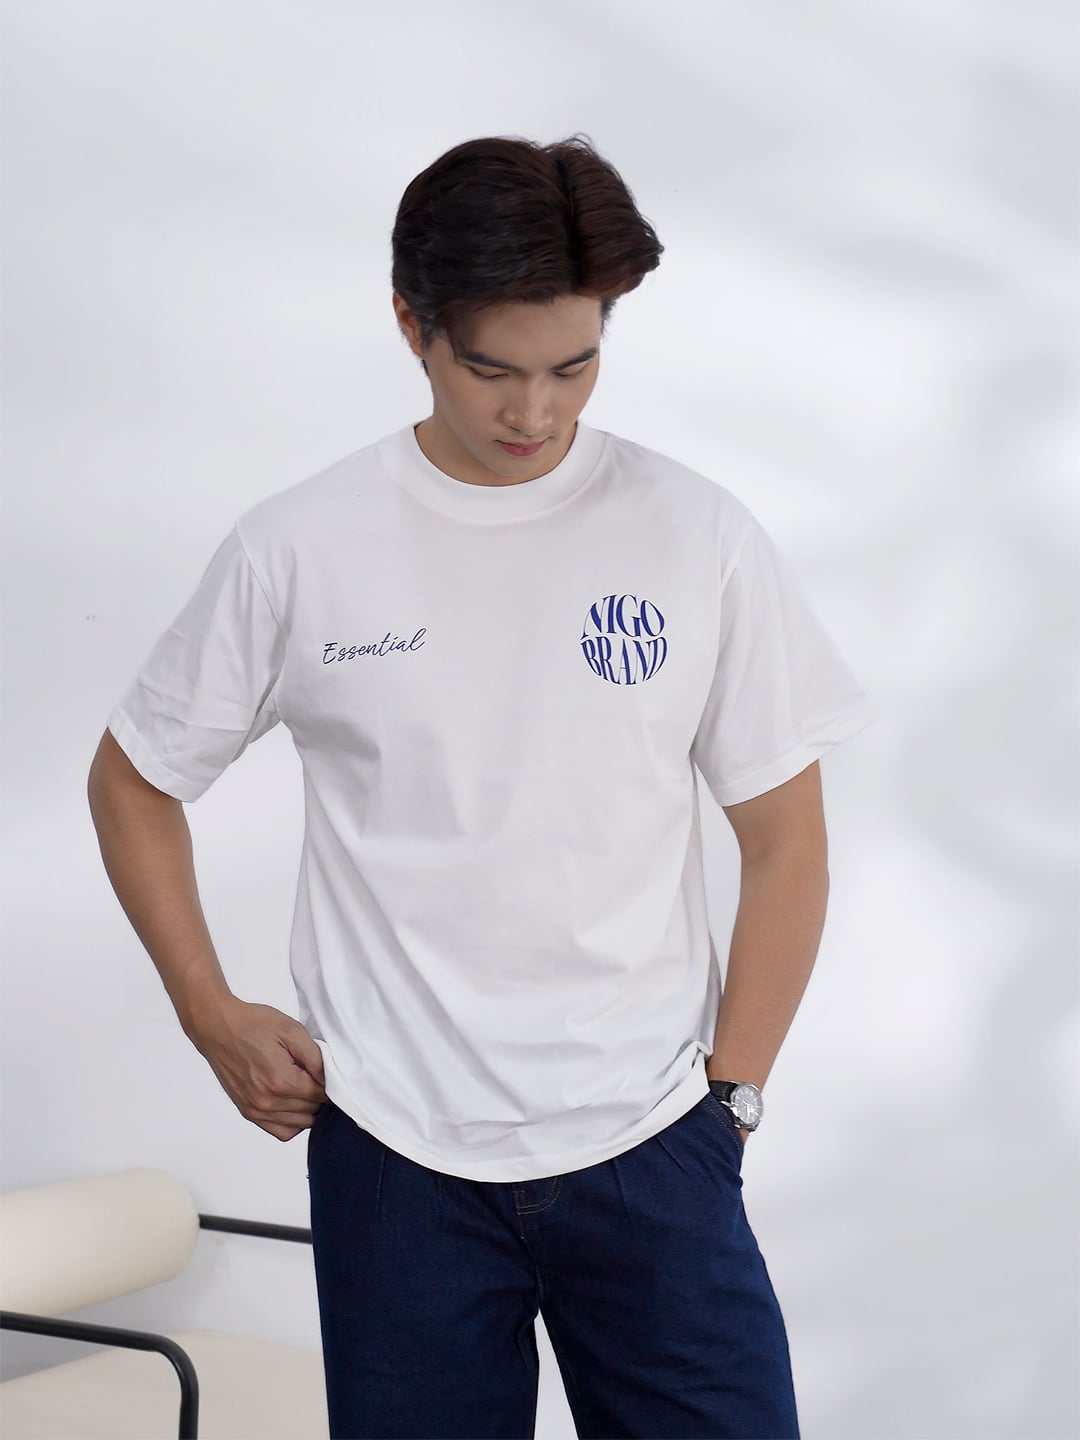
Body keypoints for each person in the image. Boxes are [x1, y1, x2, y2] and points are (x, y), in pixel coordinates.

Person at [87, 133, 879, 1440]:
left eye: (575, 366)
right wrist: (207, 1009)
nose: (536, 415)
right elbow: (135, 778)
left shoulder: (696, 535)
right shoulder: (301, 547)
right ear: (413, 326)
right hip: (396, 1158)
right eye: (492, 370)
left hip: (654, 1142)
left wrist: (731, 1101)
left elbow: (786, 839)